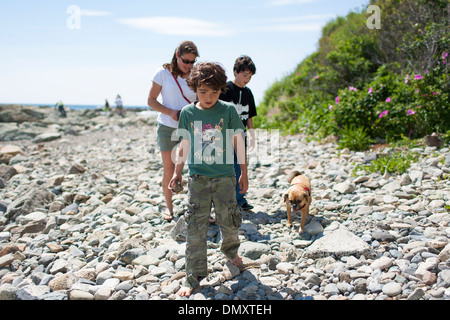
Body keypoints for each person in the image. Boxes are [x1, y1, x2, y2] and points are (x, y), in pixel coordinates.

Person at [169, 62, 248, 297]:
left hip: (225, 178)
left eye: (214, 92)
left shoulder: (228, 111)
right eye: (203, 92)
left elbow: (238, 142)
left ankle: (231, 253)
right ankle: (192, 277)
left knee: (230, 222)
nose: (209, 97)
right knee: (195, 228)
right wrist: (176, 171)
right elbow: (183, 144)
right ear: (194, 88)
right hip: (198, 179)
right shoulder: (188, 113)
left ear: (221, 89)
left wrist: (244, 171)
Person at [147, 40, 199, 221]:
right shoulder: (162, 73)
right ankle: (169, 208)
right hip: (167, 127)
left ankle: (198, 208)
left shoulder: (196, 74)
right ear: (177, 56)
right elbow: (151, 101)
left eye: (192, 62)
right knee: (169, 170)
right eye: (186, 61)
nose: (189, 65)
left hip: (191, 128)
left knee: (196, 169)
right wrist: (170, 112)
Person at [219, 55, 257, 211]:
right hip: (225, 135)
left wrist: (253, 135)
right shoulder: (225, 89)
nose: (247, 78)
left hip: (241, 134)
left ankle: (239, 199)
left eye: (250, 76)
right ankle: (223, 200)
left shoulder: (248, 93)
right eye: (244, 74)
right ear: (236, 72)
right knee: (224, 167)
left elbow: (249, 117)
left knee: (240, 167)